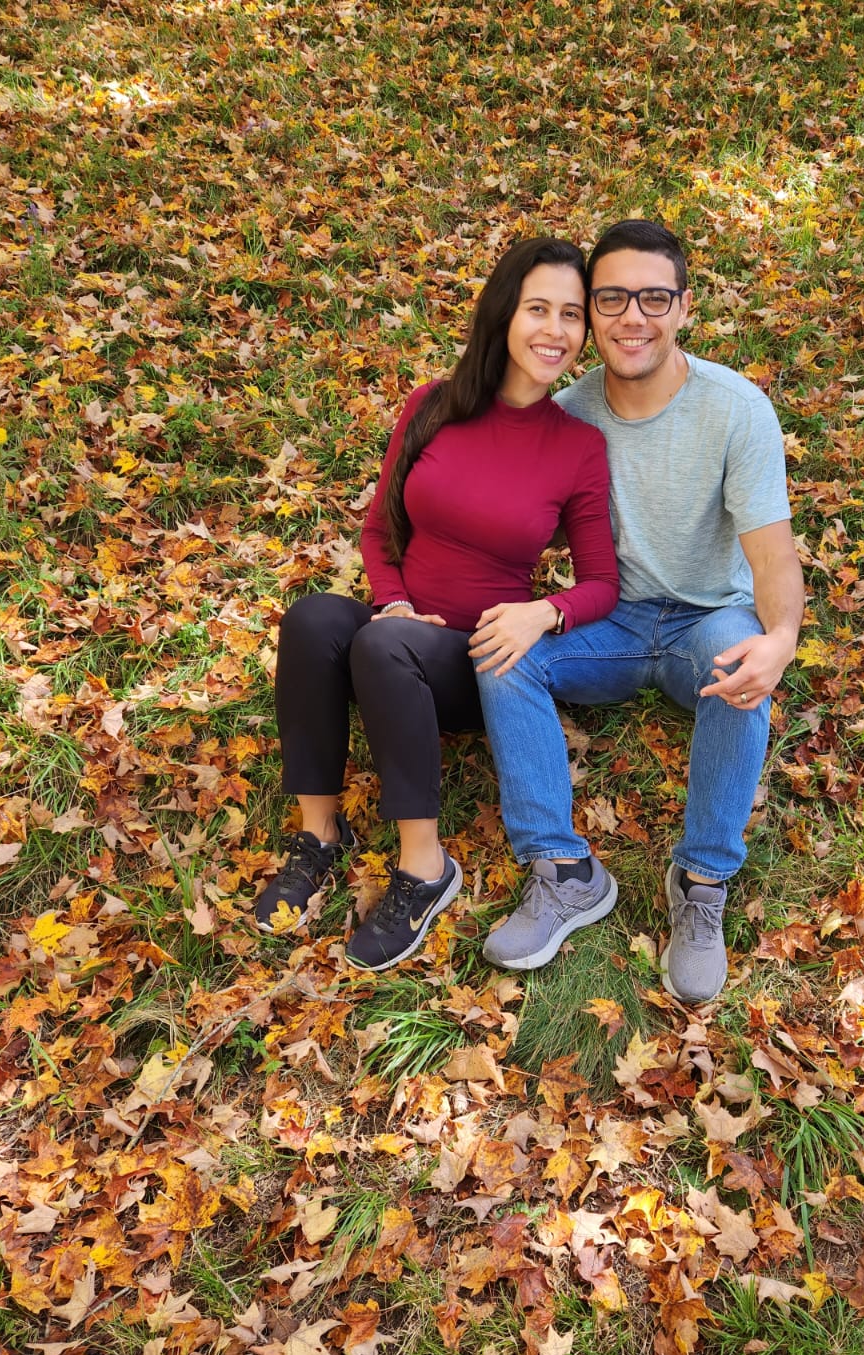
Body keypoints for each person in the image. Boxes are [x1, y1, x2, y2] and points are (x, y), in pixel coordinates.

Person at [255, 237, 619, 970]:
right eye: (538, 309)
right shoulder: (435, 406)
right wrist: (390, 601)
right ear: (503, 315)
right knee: (316, 619)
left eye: (571, 315)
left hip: (471, 660)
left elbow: (601, 583)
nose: (555, 330)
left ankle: (425, 870)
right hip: (393, 634)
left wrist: (542, 612)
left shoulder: (576, 446)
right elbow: (379, 526)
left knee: (383, 645)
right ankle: (319, 834)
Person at [476, 220, 804, 1005]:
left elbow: (771, 554)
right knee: (500, 650)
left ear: (684, 307)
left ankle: (702, 879)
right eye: (612, 298)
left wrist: (781, 639)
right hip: (611, 617)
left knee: (740, 668)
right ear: (590, 313)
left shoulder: (736, 409)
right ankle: (562, 874)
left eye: (653, 298)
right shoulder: (570, 414)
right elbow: (496, 512)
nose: (633, 317)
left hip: (707, 619)